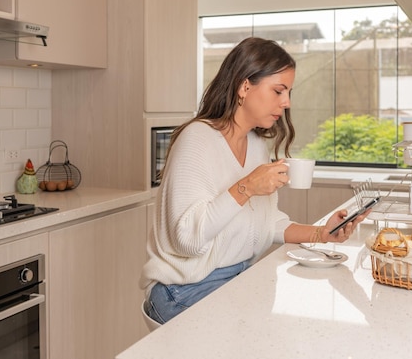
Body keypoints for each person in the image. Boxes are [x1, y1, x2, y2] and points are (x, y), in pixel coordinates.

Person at [140, 37, 370, 325]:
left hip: (235, 277)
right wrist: (246, 187)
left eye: (288, 93)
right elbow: (186, 239)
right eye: (278, 91)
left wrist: (322, 233)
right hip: (183, 290)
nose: (286, 103)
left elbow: (266, 223)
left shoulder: (257, 145)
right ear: (244, 86)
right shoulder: (197, 140)